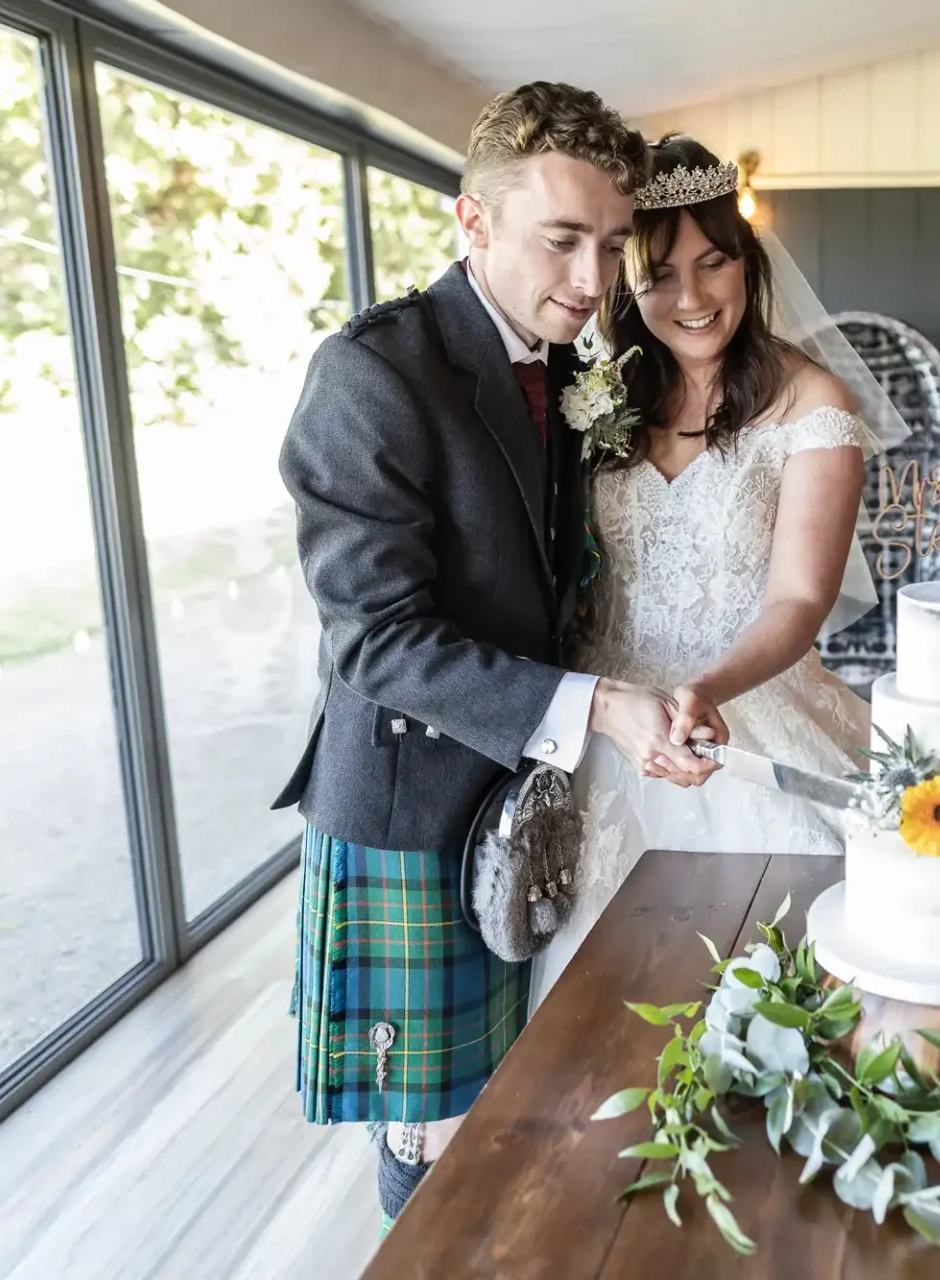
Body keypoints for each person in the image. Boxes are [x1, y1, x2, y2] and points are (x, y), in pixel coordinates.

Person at [272, 84, 715, 1231]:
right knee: (441, 1130)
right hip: (416, 804)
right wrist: (599, 704)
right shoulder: (372, 374)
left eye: (613, 246)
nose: (592, 278)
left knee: (533, 1095)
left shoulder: (575, 366)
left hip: (529, 788)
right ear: (473, 223)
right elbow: (375, 639)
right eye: (561, 239)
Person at [529, 134, 889, 1007]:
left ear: (748, 263)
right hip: (608, 728)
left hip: (749, 710)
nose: (690, 298)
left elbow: (800, 598)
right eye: (657, 275)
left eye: (713, 263)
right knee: (605, 1014)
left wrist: (707, 688)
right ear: (624, 282)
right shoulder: (597, 395)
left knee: (775, 993)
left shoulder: (814, 406)